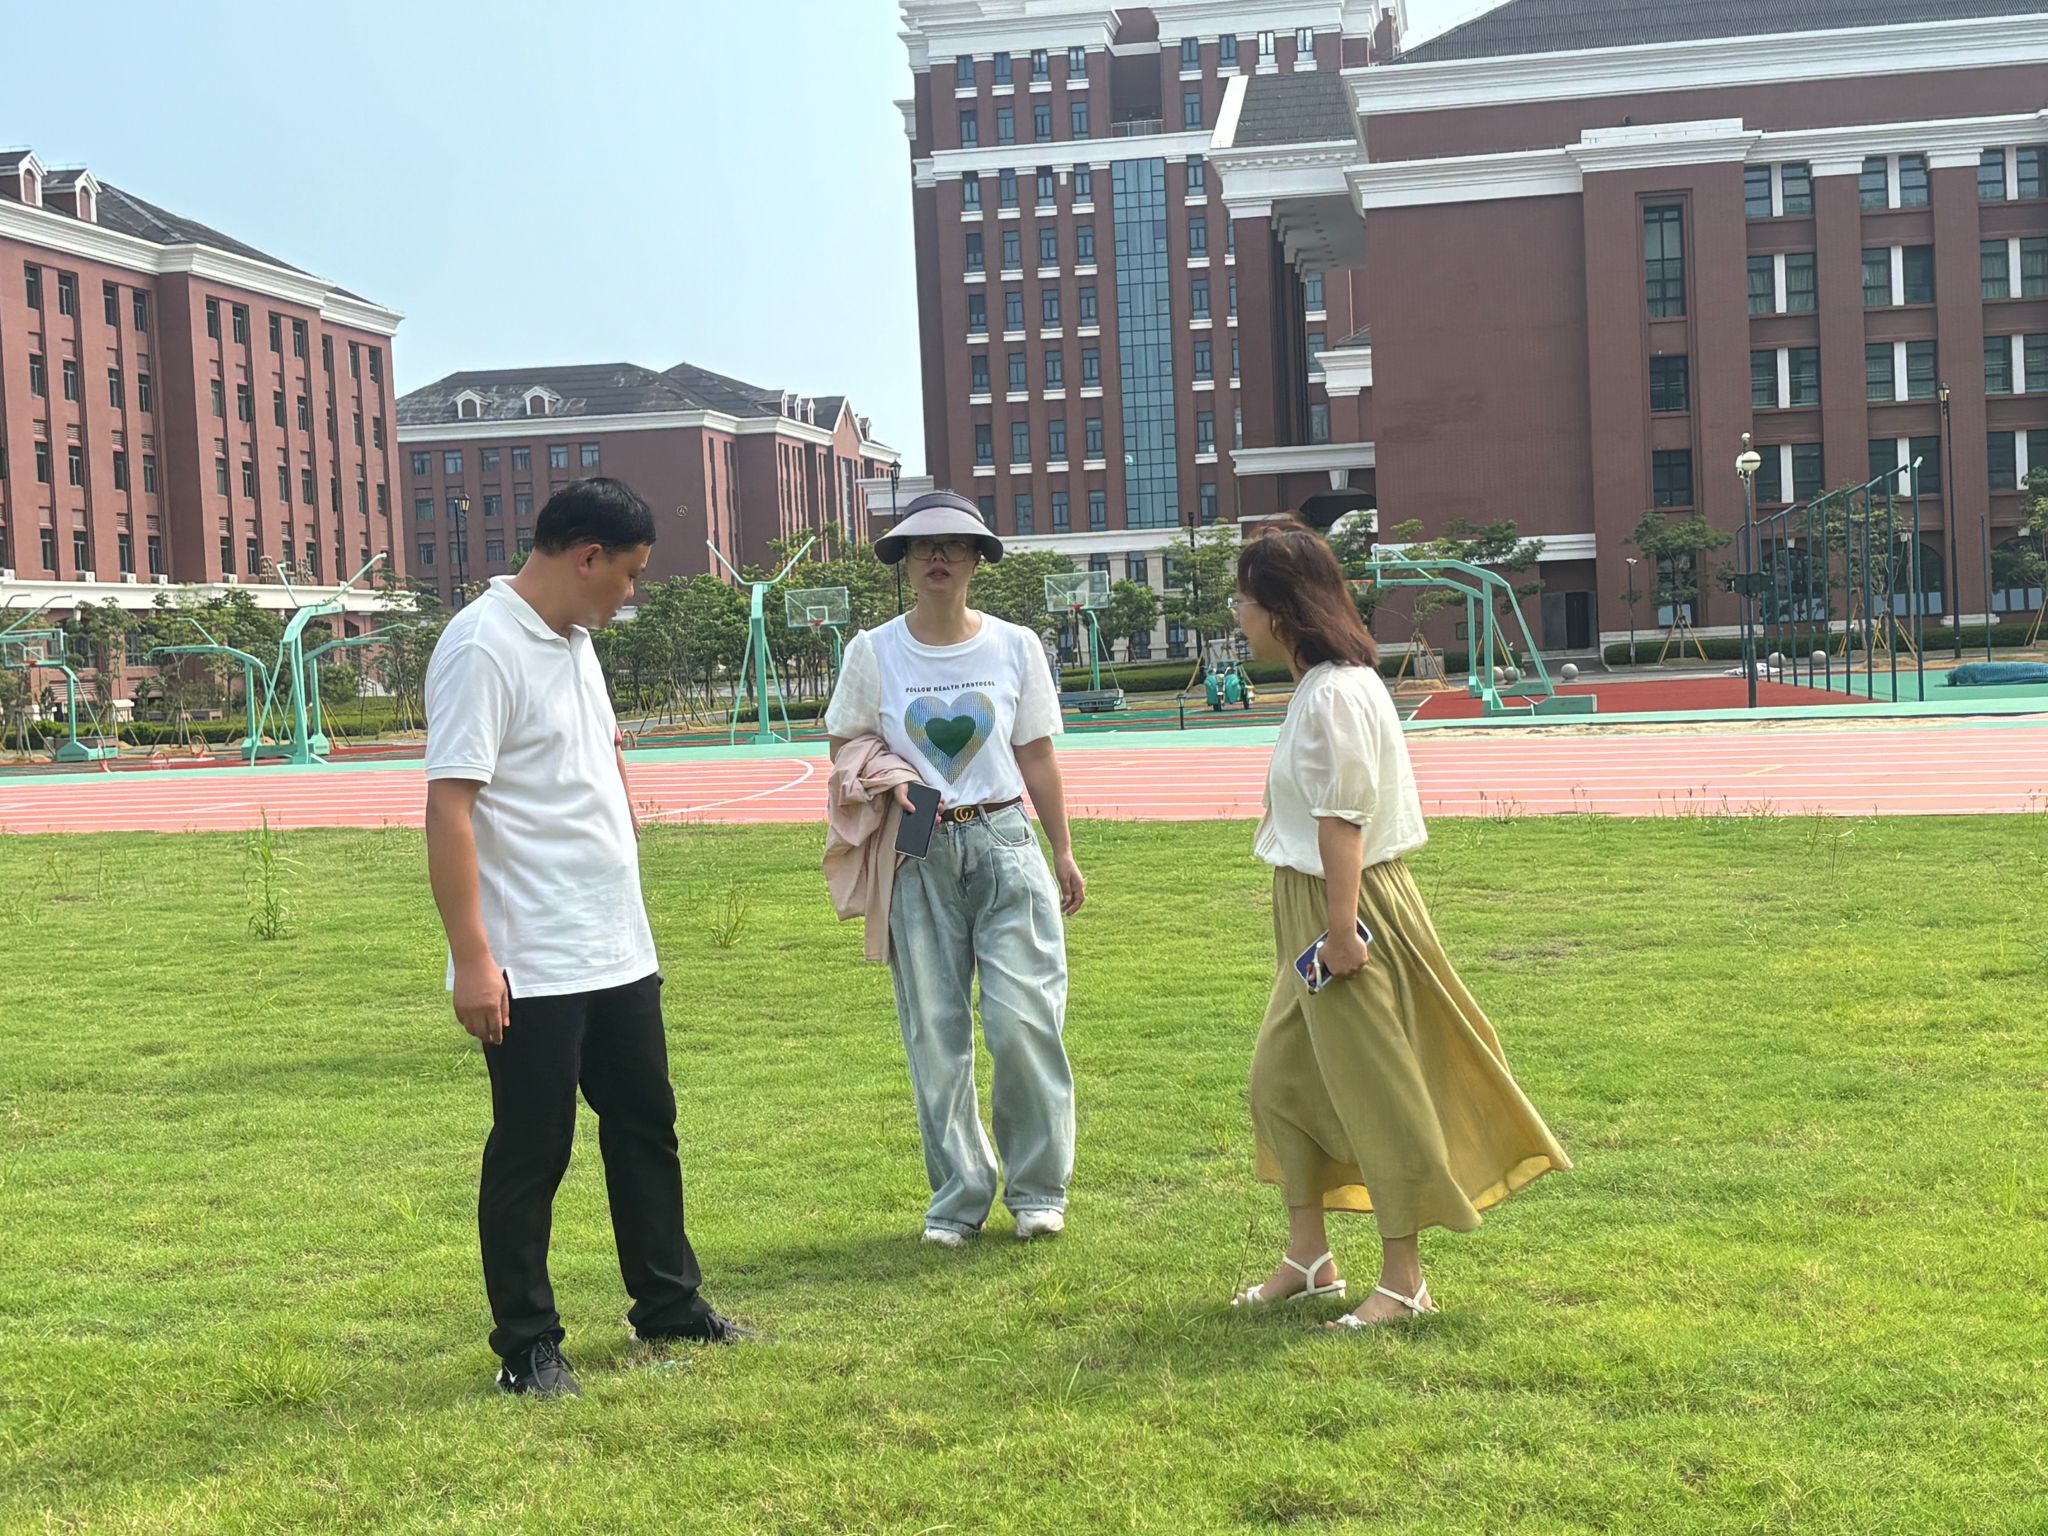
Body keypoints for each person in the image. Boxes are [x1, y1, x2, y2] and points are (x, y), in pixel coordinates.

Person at [423, 476, 747, 1399]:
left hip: (615, 945)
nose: (631, 593)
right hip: (530, 955)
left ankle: (670, 1306)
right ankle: (527, 1348)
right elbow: (449, 810)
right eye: (630, 575)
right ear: (587, 556)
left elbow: (597, 763)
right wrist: (474, 959)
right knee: (533, 1151)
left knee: (646, 1125)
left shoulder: (576, 640)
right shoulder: (481, 645)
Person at [1227, 523, 1569, 1329]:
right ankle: (1309, 1260)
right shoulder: (1324, 687)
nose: (1237, 616)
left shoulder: (1337, 693)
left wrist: (1343, 932)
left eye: (1243, 600)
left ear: (1279, 607)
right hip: (1315, 904)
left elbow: (1343, 820)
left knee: (1376, 1088)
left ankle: (1405, 1280)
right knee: (1281, 1081)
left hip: (1346, 908)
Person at [824, 490, 1085, 1247]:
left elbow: (1036, 752)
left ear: (976, 560)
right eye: (922, 545)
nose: (938, 556)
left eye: (955, 545)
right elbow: (845, 742)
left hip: (1005, 837)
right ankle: (958, 1197)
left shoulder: (1015, 645)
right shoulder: (873, 650)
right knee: (935, 1032)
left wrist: (1062, 848)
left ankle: (1038, 1189)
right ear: (905, 562)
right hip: (917, 845)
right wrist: (887, 774)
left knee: (1024, 1020)